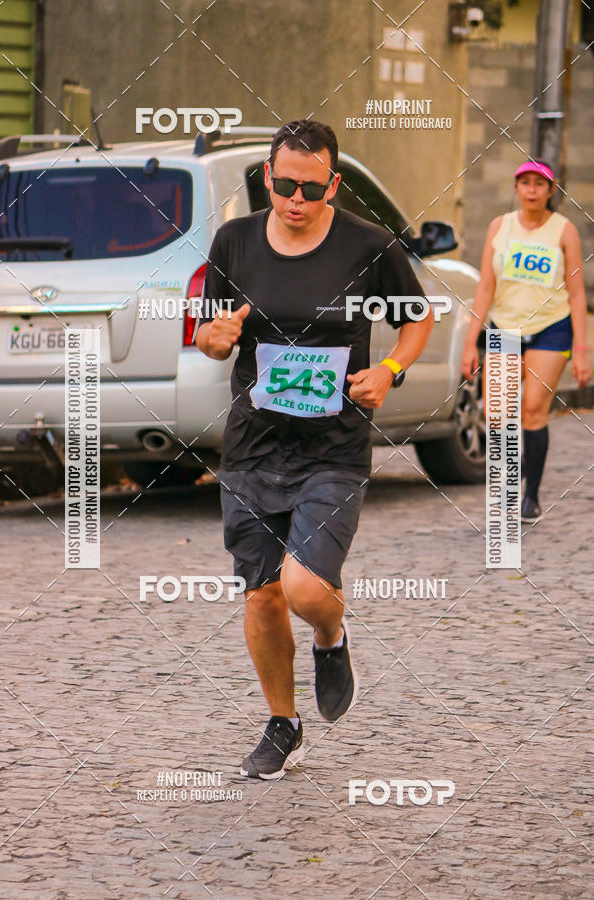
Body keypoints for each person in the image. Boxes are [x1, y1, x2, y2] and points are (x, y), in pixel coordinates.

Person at [195, 119, 433, 779]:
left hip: (333, 447)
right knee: (263, 594)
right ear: (267, 179)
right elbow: (211, 340)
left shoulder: (367, 245)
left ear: (333, 183)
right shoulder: (234, 241)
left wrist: (390, 372)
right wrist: (217, 336)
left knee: (304, 589)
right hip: (251, 449)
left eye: (311, 187)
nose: (296, 199)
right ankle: (283, 724)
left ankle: (331, 634)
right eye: (282, 185)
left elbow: (417, 320)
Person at [461, 159, 591, 523]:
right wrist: (471, 341)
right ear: (516, 188)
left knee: (533, 409)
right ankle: (508, 484)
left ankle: (530, 495)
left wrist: (581, 350)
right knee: (497, 413)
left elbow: (578, 294)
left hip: (552, 328)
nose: (532, 189)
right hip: (505, 328)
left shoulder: (563, 231)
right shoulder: (499, 227)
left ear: (551, 190)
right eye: (525, 182)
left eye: (540, 183)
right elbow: (485, 285)